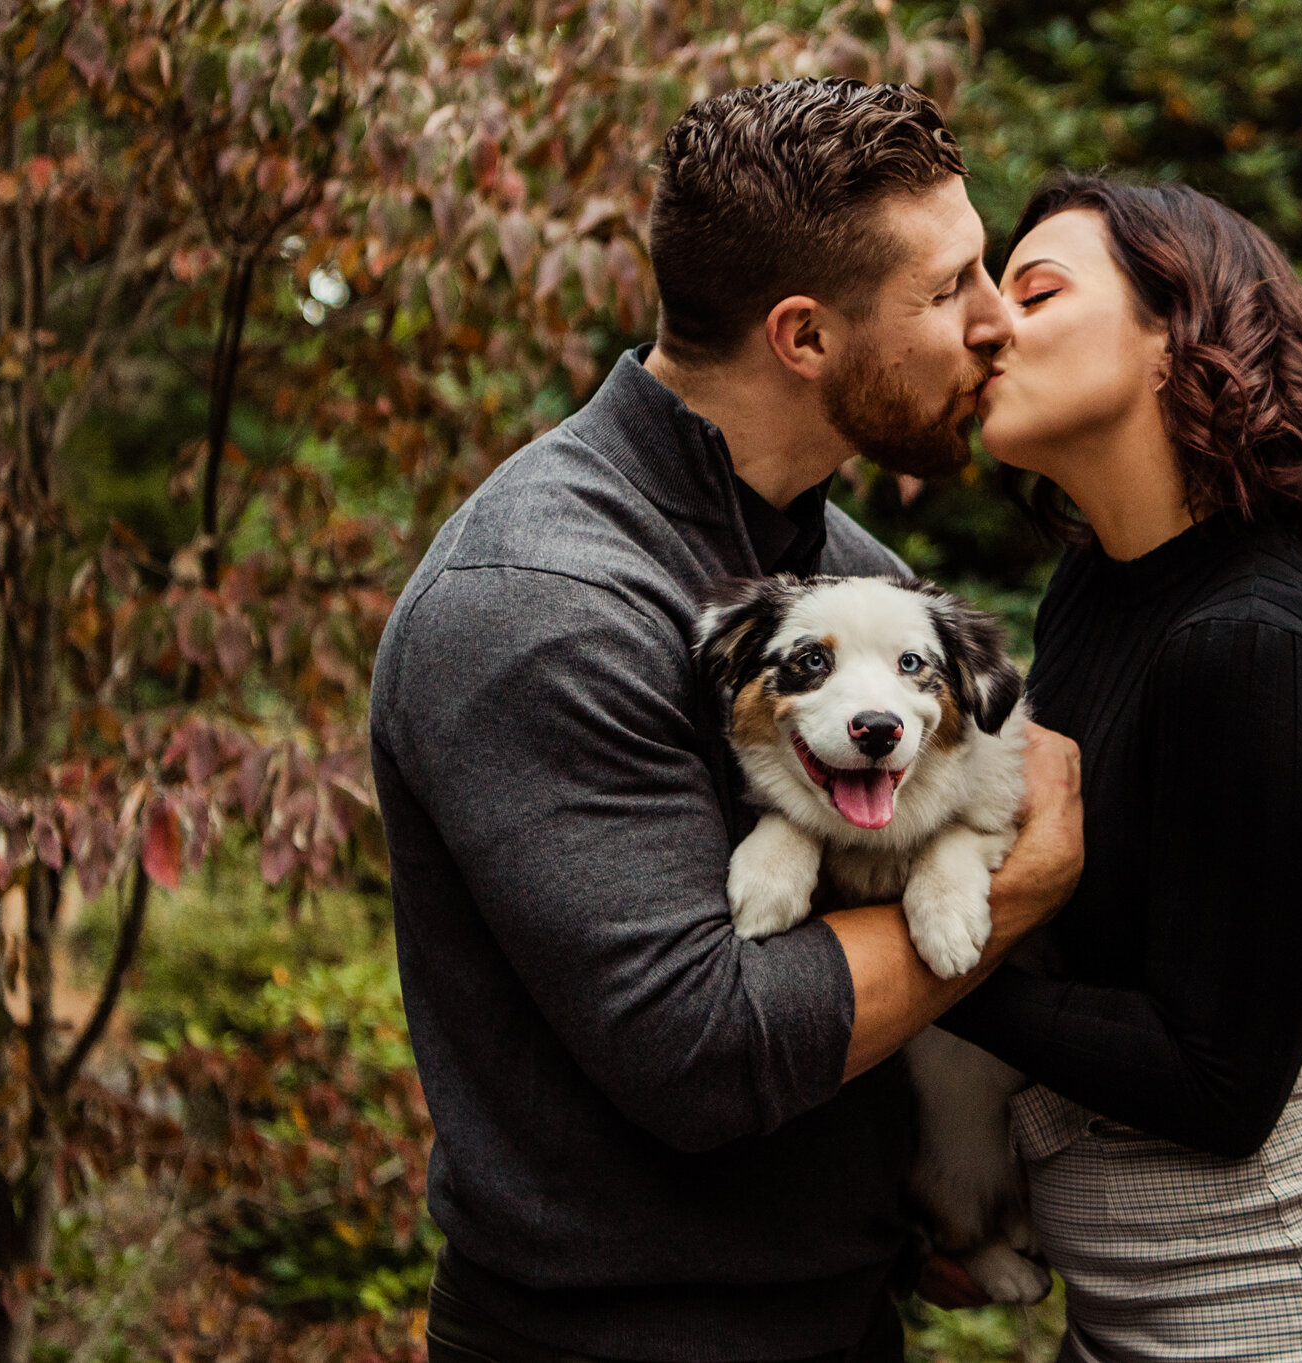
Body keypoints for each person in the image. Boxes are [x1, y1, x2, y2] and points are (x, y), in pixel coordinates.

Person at [367, 80, 1084, 1363]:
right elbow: (700, 1046)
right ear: (802, 336)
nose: (994, 324)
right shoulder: (539, 599)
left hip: (836, 1313)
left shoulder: (834, 561)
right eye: (947, 289)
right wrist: (1021, 880)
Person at [940, 175, 1302, 1360]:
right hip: (1134, 1312)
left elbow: (1217, 1083)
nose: (985, 325)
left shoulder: (1247, 646)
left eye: (1033, 289)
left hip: (1287, 1311)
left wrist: (913, 959)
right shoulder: (1095, 587)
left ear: (1174, 341)